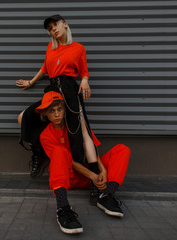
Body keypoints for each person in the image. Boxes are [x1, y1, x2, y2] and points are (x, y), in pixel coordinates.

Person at [36, 91, 131, 234]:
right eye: (52, 111)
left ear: (65, 110)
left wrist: (102, 171)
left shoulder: (76, 126)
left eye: (60, 109)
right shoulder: (45, 136)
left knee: (122, 150)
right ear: (45, 114)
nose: (57, 114)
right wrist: (93, 176)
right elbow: (70, 162)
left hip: (89, 175)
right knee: (60, 152)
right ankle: (63, 208)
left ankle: (107, 195)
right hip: (69, 178)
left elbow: (91, 147)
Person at [16, 14, 96, 180]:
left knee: (81, 133)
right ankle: (39, 154)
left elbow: (84, 72)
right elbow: (45, 67)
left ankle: (92, 176)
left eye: (55, 25)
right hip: (52, 91)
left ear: (65, 24)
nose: (53, 30)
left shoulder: (78, 48)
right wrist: (31, 82)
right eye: (50, 29)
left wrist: (85, 81)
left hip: (70, 89)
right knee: (24, 116)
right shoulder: (50, 48)